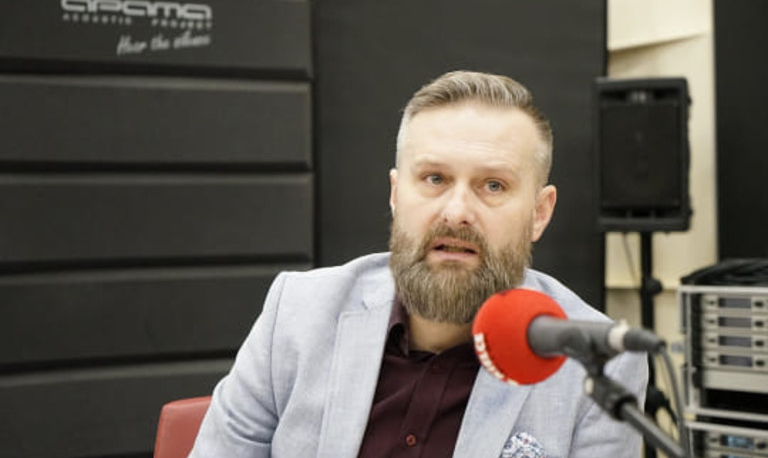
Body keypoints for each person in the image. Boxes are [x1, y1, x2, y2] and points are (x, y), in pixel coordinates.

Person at [188, 70, 648, 458]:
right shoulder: (297, 314)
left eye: (493, 186)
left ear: (539, 213)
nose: (456, 211)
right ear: (395, 194)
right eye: (434, 178)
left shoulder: (600, 363)